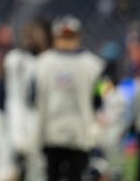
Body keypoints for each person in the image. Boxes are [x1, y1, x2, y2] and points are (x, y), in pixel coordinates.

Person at [35, 16, 104, 181]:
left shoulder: (93, 65)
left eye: (69, 37)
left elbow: (99, 97)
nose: (66, 42)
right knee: (52, 174)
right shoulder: (42, 63)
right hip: (51, 131)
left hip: (80, 131)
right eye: (63, 37)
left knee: (76, 174)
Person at [4, 19, 52, 181]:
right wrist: (16, 128)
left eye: (35, 34)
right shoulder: (17, 60)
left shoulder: (52, 59)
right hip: (27, 116)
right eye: (28, 35)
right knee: (23, 165)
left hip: (48, 118)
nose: (31, 39)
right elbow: (15, 97)